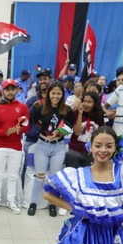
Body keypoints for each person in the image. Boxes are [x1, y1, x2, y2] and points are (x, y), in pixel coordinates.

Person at [28, 81, 75, 217]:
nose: (55, 96)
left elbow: (69, 127)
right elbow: (35, 121)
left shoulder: (67, 110)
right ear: (49, 94)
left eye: (58, 93)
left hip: (58, 147)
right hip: (42, 145)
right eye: (53, 93)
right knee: (39, 176)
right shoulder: (41, 108)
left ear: (62, 95)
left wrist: (59, 133)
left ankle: (53, 204)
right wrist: (46, 131)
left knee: (54, 178)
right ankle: (33, 203)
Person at [0, 79, 29, 214]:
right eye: (7, 89)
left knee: (13, 176)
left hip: (16, 147)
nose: (10, 92)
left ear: (16, 90)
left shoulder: (23, 107)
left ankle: (11, 201)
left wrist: (20, 130)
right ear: (3, 91)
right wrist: (5, 132)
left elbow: (27, 126)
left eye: (13, 89)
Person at [66, 92, 105, 168]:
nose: (86, 104)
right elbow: (77, 133)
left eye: (89, 102)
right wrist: (80, 114)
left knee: (89, 174)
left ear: (95, 103)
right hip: (75, 150)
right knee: (71, 173)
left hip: (90, 152)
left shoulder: (99, 115)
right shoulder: (76, 113)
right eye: (84, 101)